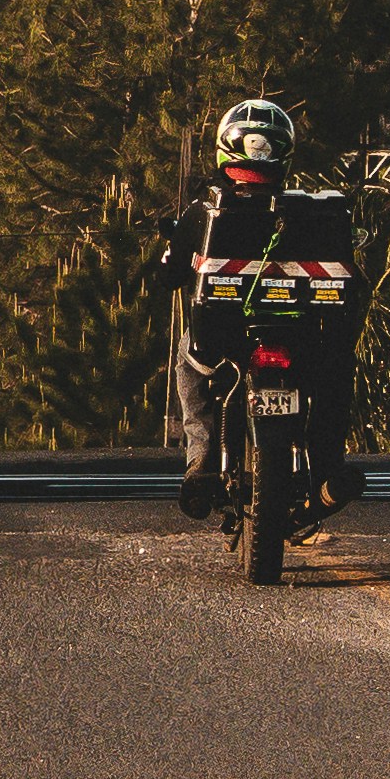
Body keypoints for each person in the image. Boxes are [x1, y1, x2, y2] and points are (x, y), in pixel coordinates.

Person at [157, 94, 297, 520]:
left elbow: (168, 274)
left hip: (221, 337)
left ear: (225, 150)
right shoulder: (305, 211)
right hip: (297, 332)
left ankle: (200, 458)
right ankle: (323, 463)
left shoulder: (204, 211)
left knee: (188, 365)